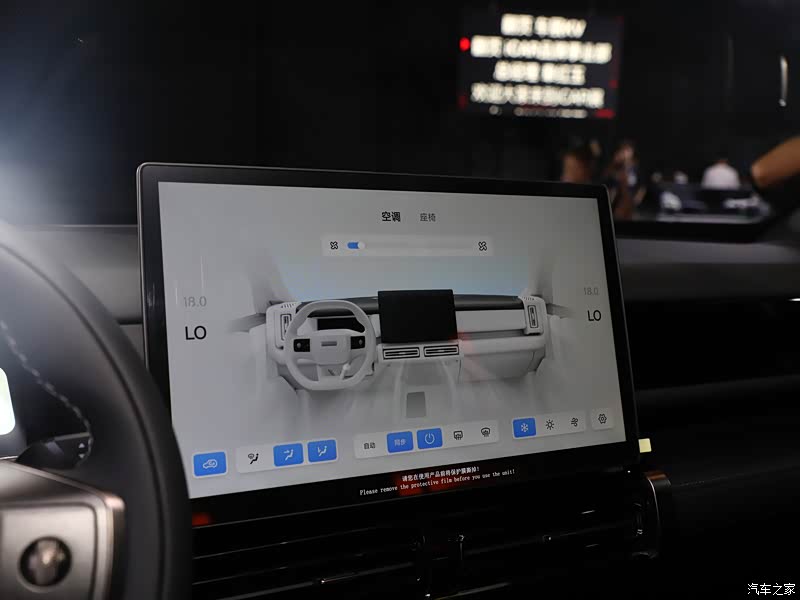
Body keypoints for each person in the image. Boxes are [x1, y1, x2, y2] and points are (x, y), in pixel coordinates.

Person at [604, 140, 645, 220]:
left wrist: (638, 197)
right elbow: (608, 178)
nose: (626, 153)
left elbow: (642, 184)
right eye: (624, 150)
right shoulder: (617, 165)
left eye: (628, 150)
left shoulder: (635, 167)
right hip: (618, 201)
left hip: (631, 200)